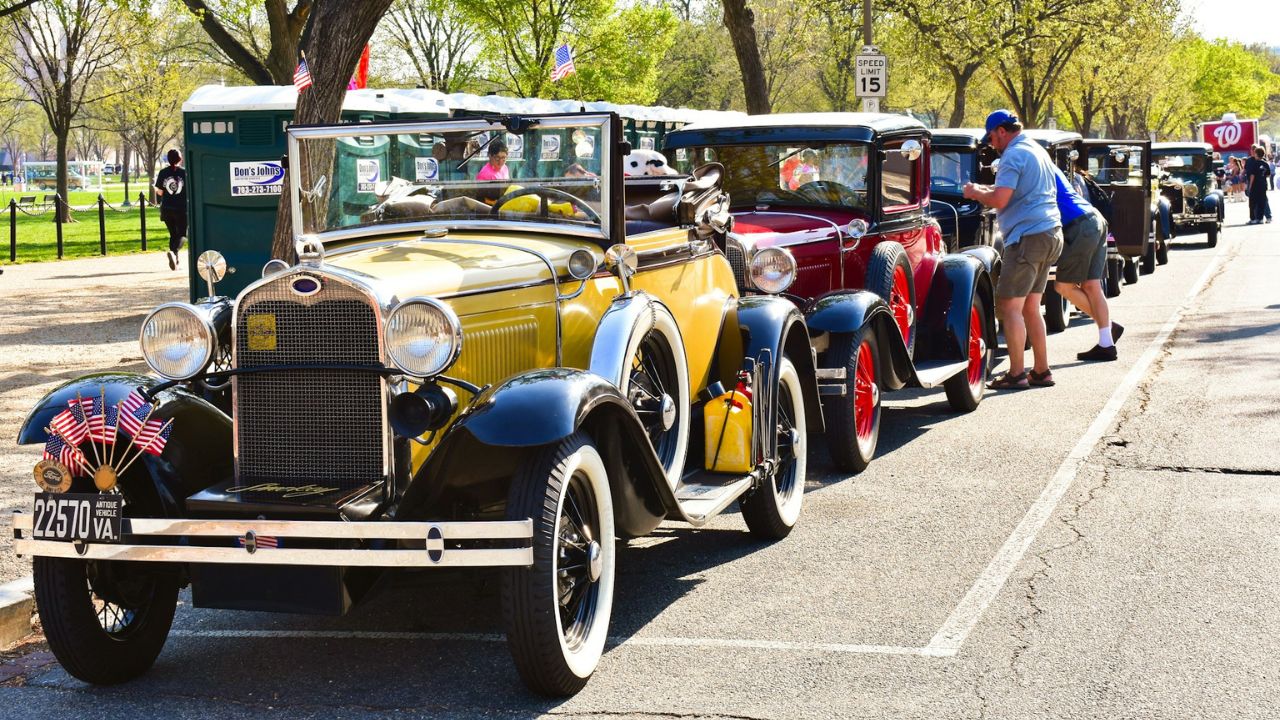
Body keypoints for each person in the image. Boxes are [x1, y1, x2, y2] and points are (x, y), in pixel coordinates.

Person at [963, 110, 1063, 389]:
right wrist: (986, 189)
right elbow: (1015, 190)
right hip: (1050, 233)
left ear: (1002, 131)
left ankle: (1017, 373)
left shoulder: (1012, 155)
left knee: (1009, 307)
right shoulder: (1035, 149)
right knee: (1031, 306)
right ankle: (1042, 370)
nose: (992, 143)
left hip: (1028, 237)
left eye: (993, 137)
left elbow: (1000, 199)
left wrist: (973, 192)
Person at [1051, 167, 1123, 361]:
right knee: (1092, 285)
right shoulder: (1049, 166)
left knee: (1063, 286)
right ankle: (1106, 341)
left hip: (1079, 224)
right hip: (1094, 218)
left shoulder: (1036, 167)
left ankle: (1107, 327)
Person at [154, 148, 187, 271]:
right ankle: (174, 252)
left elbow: (160, 192)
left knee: (173, 234)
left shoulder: (163, 172)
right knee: (183, 235)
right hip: (181, 209)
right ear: (180, 159)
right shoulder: (184, 173)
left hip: (167, 208)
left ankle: (176, 261)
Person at [1244, 146, 1272, 224]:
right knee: (1261, 202)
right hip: (1263, 184)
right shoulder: (1265, 163)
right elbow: (1268, 174)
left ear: (1256, 154)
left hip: (1255, 185)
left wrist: (1250, 186)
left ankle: (1253, 218)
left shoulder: (1255, 163)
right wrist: (1261, 177)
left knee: (1252, 202)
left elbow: (1252, 175)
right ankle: (1260, 218)